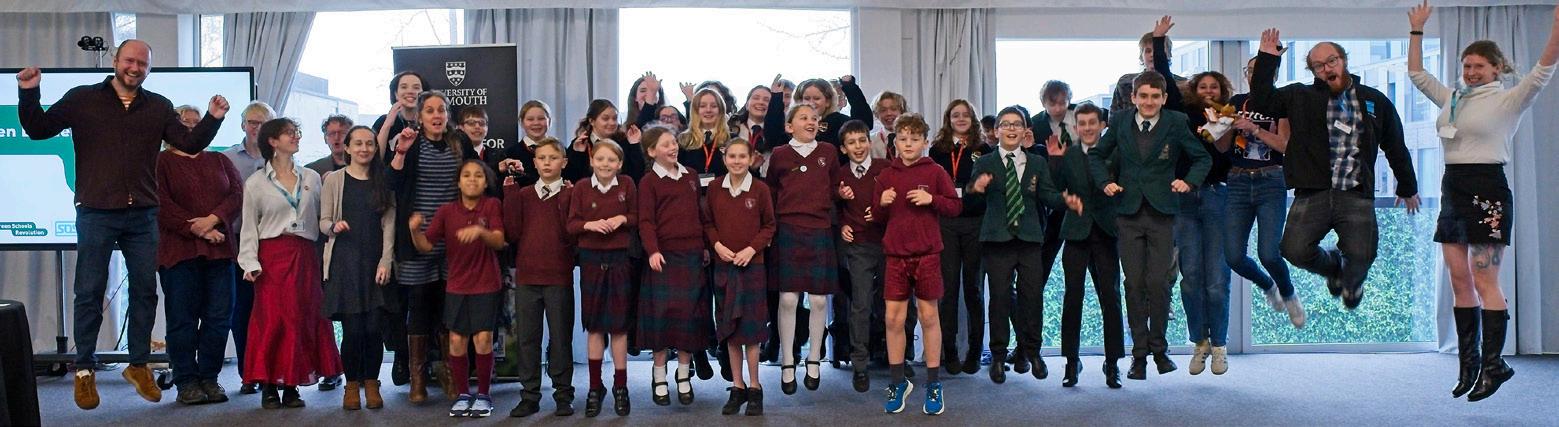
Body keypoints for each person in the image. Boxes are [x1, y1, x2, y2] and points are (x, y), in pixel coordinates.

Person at [14, 39, 229, 410]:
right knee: (89, 291)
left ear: (148, 69)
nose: (135, 68)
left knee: (145, 291)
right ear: (115, 61)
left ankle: (138, 364)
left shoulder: (158, 106)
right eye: (130, 60)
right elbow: (38, 128)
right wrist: (29, 92)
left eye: (143, 64)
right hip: (96, 210)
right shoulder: (83, 98)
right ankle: (84, 369)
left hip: (143, 213)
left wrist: (213, 117)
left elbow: (189, 143)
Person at [1408, 0, 1559, 402]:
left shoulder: (1509, 99)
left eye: (1478, 66)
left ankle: (1495, 365)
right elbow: (1417, 75)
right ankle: (1469, 364)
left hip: (1487, 188)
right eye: (1466, 65)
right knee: (1459, 279)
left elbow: (1544, 69)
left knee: (1484, 279)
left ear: (1496, 69)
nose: (1471, 72)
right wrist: (1417, 31)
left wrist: (1556, 28)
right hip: (1452, 188)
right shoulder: (1454, 98)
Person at [1247, 28, 1421, 308]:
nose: (1327, 68)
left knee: (1363, 254)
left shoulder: (1374, 100)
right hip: (1312, 191)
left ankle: (1352, 283)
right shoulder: (1299, 96)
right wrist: (1268, 58)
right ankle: (1335, 269)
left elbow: (1395, 145)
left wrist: (1407, 186)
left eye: (1332, 61)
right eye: (1319, 65)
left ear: (1343, 60)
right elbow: (1261, 101)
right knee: (1293, 250)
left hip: (1355, 192)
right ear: (1313, 71)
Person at [1088, 70, 1211, 381]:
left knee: (1158, 283)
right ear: (1133, 97)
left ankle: (1159, 349)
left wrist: (1189, 182)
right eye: (1143, 96)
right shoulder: (1119, 122)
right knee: (1133, 284)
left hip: (1162, 212)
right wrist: (1105, 182)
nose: (1149, 101)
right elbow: (1096, 156)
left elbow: (1202, 159)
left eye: (1155, 96)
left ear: (1164, 98)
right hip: (1128, 212)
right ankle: (1139, 355)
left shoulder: (1176, 122)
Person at [966, 106, 1079, 385]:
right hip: (997, 239)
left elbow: (1048, 195)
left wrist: (1065, 200)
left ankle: (1033, 352)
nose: (1011, 129)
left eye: (1017, 124)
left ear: (1025, 130)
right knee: (1000, 299)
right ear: (996, 131)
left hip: (1029, 238)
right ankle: (998, 356)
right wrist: (976, 189)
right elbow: (971, 200)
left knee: (1032, 297)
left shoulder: (1037, 162)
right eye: (1005, 124)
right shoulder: (985, 161)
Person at [1150, 16, 1237, 376]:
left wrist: (1222, 123)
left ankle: (1219, 345)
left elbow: (1226, 157)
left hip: (1218, 198)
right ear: (1194, 90)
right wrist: (1158, 42)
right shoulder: (1182, 114)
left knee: (1216, 279)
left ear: (1222, 91)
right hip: (1184, 200)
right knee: (1190, 278)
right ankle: (1199, 342)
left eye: (1214, 86)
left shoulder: (1231, 118)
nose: (1208, 90)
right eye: (1203, 86)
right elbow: (1164, 77)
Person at [237, 118, 342, 409]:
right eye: (289, 133)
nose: (296, 137)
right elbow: (249, 226)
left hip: (305, 255)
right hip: (272, 257)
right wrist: (249, 262)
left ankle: (292, 384)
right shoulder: (256, 183)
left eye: (297, 132)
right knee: (272, 319)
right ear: (272, 141)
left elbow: (322, 217)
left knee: (302, 318)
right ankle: (270, 384)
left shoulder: (311, 177)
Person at [388, 91, 476, 403]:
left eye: (441, 110)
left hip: (452, 241)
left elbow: (477, 178)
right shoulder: (410, 142)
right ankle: (418, 379)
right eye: (429, 111)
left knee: (448, 311)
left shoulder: (460, 142)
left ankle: (450, 373)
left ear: (447, 115)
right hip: (416, 239)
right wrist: (401, 152)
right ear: (420, 116)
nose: (436, 115)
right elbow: (392, 183)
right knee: (419, 307)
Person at [875, 113, 960, 416]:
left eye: (914, 139)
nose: (908, 144)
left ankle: (934, 384)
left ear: (925, 142)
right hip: (895, 256)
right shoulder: (886, 175)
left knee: (928, 317)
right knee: (893, 320)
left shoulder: (935, 171)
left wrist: (931, 199)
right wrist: (881, 203)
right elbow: (877, 216)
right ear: (895, 143)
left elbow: (954, 206)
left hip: (927, 255)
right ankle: (898, 382)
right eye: (903, 139)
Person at [407, 159, 506, 418]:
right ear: (458, 182)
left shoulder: (492, 205)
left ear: (486, 182)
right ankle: (463, 395)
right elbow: (426, 246)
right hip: (457, 285)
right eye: (466, 175)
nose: (472, 179)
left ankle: (483, 395)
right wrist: (415, 231)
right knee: (456, 340)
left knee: (482, 340)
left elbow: (499, 241)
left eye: (478, 175)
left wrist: (480, 231)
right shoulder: (446, 211)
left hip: (486, 283)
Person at [155, 129, 242, 406]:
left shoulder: (219, 160)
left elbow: (236, 195)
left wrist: (213, 219)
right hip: (178, 252)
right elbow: (160, 203)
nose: (193, 128)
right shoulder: (160, 161)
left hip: (220, 250)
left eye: (198, 123)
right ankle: (186, 381)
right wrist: (197, 229)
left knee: (219, 318)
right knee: (183, 319)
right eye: (185, 123)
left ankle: (209, 377)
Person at [763, 102, 840, 395]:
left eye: (814, 118)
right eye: (803, 117)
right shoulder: (780, 154)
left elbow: (835, 188)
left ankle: (814, 358)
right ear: (789, 126)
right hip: (788, 230)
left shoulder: (828, 152)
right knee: (787, 299)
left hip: (819, 229)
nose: (810, 122)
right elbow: (771, 192)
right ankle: (787, 361)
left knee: (819, 301)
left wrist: (843, 194)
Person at [318, 126, 396, 410]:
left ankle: (372, 384)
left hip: (375, 263)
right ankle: (351, 386)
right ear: (348, 148)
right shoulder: (334, 180)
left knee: (374, 329)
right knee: (352, 331)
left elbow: (389, 224)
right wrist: (333, 227)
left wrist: (386, 260)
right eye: (358, 143)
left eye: (370, 144)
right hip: (345, 264)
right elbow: (323, 221)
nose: (364, 148)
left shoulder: (383, 180)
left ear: (376, 148)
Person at [636, 127, 713, 406]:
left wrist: (704, 246)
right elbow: (646, 221)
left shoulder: (690, 175)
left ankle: (683, 375)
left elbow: (699, 215)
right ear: (651, 151)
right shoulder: (648, 182)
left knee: (688, 317)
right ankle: (659, 376)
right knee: (662, 318)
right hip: (663, 258)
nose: (673, 147)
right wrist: (653, 250)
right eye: (665, 144)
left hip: (691, 256)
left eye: (674, 142)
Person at [1227, 54, 1305, 328]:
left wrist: (1254, 129)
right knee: (1233, 256)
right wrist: (1219, 126)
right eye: (1250, 70)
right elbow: (1221, 144)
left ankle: (1289, 293)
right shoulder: (1236, 102)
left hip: (1270, 179)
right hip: (1237, 180)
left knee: (1269, 253)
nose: (1254, 75)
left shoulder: (1280, 102)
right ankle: (1268, 285)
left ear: (1274, 74)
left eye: (1260, 71)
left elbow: (1284, 145)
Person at [501, 137, 577, 417]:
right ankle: (529, 395)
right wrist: (509, 195)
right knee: (528, 339)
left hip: (558, 276)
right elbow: (512, 233)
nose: (547, 163)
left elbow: (571, 234)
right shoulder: (523, 195)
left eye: (553, 158)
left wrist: (566, 199)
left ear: (563, 163)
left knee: (560, 337)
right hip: (528, 277)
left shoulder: (570, 193)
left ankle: (563, 394)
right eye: (542, 158)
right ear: (534, 163)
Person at [1054, 104, 1126, 388]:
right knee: (1072, 298)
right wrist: (1055, 165)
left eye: (1092, 123)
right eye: (1081, 123)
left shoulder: (1116, 152)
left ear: (1102, 125)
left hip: (1106, 232)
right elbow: (1055, 189)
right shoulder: (1067, 154)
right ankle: (1072, 362)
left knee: (1111, 297)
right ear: (1075, 127)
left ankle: (1113, 363)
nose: (1086, 128)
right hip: (1076, 232)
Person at [567, 140, 637, 417]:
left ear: (619, 164)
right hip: (591, 260)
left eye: (611, 160)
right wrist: (589, 224)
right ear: (592, 161)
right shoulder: (582, 187)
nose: (605, 164)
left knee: (619, 326)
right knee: (594, 325)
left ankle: (621, 386)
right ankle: (595, 387)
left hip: (620, 258)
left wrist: (622, 219)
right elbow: (571, 224)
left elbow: (637, 215)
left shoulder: (627, 184)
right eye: (600, 159)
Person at [705, 139, 775, 416]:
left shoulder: (760, 189)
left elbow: (769, 226)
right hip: (724, 266)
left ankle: (755, 387)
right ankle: (738, 386)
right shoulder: (714, 188)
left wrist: (751, 249)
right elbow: (708, 223)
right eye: (732, 156)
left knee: (752, 332)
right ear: (725, 159)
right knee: (730, 331)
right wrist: (717, 246)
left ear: (751, 158)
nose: (736, 161)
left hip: (752, 266)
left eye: (741, 156)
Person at [927, 100, 991, 377]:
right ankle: (950, 351)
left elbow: (987, 189)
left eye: (966, 115)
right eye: (956, 115)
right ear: (948, 119)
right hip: (946, 224)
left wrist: (971, 190)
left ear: (973, 119)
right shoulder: (937, 150)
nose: (961, 119)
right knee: (948, 290)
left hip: (975, 223)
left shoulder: (984, 149)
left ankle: (975, 351)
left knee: (974, 289)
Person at [833, 120, 891, 393]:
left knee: (893, 303)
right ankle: (860, 364)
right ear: (843, 149)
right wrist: (842, 224)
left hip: (888, 244)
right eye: (851, 143)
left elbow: (898, 203)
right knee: (860, 304)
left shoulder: (885, 169)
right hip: (858, 246)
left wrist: (881, 212)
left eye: (862, 141)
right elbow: (832, 206)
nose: (858, 147)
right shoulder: (840, 174)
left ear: (869, 142)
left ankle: (897, 357)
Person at [221, 100, 274, 395]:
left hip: (273, 244)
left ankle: (271, 371)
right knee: (241, 311)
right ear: (243, 125)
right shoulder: (226, 159)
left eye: (263, 123)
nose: (257, 127)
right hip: (238, 243)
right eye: (252, 122)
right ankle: (248, 373)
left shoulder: (280, 159)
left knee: (270, 311)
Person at [563, 99, 645, 182]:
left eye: (615, 118)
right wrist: (577, 154)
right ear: (592, 121)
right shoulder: (580, 143)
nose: (612, 123)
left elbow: (637, 175)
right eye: (605, 119)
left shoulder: (624, 142)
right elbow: (569, 177)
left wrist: (634, 145)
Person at [677, 88, 735, 178]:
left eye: (714, 106)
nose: (708, 110)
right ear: (695, 110)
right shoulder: (683, 140)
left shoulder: (732, 140)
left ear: (721, 110)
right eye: (702, 106)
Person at [495, 100, 554, 188]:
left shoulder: (560, 151)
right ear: (522, 123)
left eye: (541, 118)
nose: (536, 123)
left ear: (549, 121)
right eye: (530, 119)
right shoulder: (509, 154)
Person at [374, 71, 427, 157]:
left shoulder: (430, 122)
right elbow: (374, 159)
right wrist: (387, 125)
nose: (410, 91)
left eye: (416, 88)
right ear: (396, 94)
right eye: (404, 87)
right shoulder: (383, 121)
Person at [870, 91, 908, 159]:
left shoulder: (912, 139)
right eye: (883, 110)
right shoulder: (871, 142)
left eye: (893, 109)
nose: (889, 113)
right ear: (876, 114)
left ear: (902, 112)